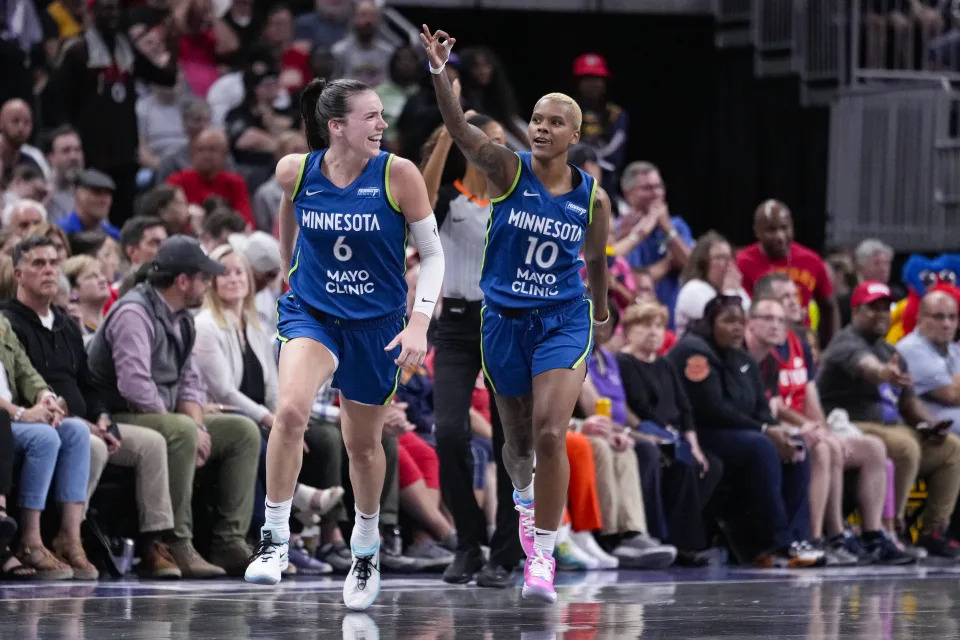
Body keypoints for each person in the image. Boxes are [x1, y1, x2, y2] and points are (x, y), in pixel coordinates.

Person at [423, 25, 612, 603]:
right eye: (536, 118)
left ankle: (543, 556)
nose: (542, 127)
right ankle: (526, 505)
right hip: (501, 320)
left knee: (552, 431)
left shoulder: (593, 197)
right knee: (519, 444)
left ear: (574, 135)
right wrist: (439, 74)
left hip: (561, 318)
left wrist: (600, 316)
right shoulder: (506, 169)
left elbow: (596, 261)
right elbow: (458, 130)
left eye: (555, 121)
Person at [242, 74, 445, 613]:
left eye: (382, 115)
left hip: (377, 326)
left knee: (362, 447)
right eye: (371, 116)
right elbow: (288, 202)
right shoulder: (296, 169)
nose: (382, 125)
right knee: (289, 413)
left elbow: (434, 257)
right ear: (337, 127)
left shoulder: (398, 175)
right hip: (313, 313)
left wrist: (419, 323)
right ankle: (275, 538)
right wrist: (290, 267)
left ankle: (366, 543)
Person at [2, 236, 181, 578]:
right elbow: (21, 384)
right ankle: (68, 534)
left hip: (83, 419)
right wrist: (76, 419)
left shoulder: (66, 323)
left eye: (54, 262)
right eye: (38, 263)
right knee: (87, 441)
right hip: (47, 420)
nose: (49, 270)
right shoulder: (10, 321)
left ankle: (155, 541)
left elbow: (89, 383)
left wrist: (102, 417)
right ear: (18, 274)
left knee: (152, 444)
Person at [86, 235, 262, 577]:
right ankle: (176, 542)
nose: (208, 284)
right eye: (203, 278)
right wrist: (184, 427)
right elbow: (134, 387)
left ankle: (229, 542)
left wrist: (198, 426)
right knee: (179, 430)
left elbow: (189, 381)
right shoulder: (134, 312)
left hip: (162, 415)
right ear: (183, 281)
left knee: (242, 430)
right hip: (118, 414)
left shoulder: (182, 317)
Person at [418, 114, 525, 586]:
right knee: (448, 432)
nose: (494, 149)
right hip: (457, 325)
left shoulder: (518, 201)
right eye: (484, 139)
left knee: (510, 442)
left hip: (505, 322)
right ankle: (468, 543)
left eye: (501, 142)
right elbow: (420, 194)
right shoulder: (446, 200)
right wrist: (447, 130)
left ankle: (505, 554)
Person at [746, 295, 910, 565]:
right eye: (782, 298)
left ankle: (873, 536)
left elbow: (811, 401)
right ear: (751, 322)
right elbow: (770, 408)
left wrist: (822, 428)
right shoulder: (759, 354)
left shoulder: (796, 345)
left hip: (798, 424)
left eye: (782, 314)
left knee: (873, 448)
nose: (791, 304)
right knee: (825, 448)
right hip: (778, 427)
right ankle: (822, 537)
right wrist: (805, 427)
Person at [666, 295, 824, 568]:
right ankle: (775, 543)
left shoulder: (743, 358)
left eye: (741, 321)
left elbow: (761, 407)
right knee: (761, 446)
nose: (737, 328)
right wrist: (765, 430)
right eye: (728, 321)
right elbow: (712, 409)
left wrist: (777, 430)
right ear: (710, 323)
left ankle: (797, 539)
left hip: (739, 434)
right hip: (701, 434)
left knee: (796, 446)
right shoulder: (694, 352)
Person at [818, 281, 960, 558]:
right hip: (848, 425)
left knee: (951, 448)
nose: (882, 314)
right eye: (873, 309)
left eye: (886, 308)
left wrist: (929, 424)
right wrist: (884, 373)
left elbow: (909, 401)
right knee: (904, 444)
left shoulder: (889, 350)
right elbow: (866, 367)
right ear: (856, 311)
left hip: (887, 427)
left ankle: (933, 531)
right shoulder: (846, 341)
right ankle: (890, 530)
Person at [736, 199, 839, 345]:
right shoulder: (742, 263)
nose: (780, 236)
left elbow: (829, 306)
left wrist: (829, 348)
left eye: (785, 228)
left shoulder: (811, 261)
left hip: (802, 343)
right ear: (757, 231)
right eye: (771, 230)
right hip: (763, 343)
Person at [612, 162, 693, 327]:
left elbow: (693, 266)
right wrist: (667, 263)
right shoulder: (617, 229)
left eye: (659, 186)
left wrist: (668, 231)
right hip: (630, 320)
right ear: (628, 193)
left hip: (670, 319)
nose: (656, 193)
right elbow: (624, 276)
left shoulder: (676, 226)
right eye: (647, 188)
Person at [897, 290, 960, 430]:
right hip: (930, 424)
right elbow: (952, 394)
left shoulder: (953, 349)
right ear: (919, 320)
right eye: (938, 317)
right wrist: (953, 382)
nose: (946, 324)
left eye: (952, 317)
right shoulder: (911, 349)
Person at [56, 169, 120, 240]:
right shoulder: (61, 232)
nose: (103, 200)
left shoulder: (114, 236)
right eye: (97, 192)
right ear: (77, 194)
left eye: (107, 194)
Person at [60, 254, 109, 340]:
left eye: (101, 275)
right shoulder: (70, 329)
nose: (103, 279)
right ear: (72, 292)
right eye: (92, 276)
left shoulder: (112, 325)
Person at [43, 125, 85, 223]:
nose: (73, 156)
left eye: (77, 150)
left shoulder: (93, 192)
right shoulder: (42, 194)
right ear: (51, 158)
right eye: (66, 151)